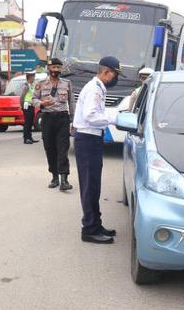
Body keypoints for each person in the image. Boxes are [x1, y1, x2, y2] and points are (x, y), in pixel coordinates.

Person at [73, 56, 122, 244]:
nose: (115, 78)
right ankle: (89, 229)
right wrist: (113, 118)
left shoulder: (98, 87)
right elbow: (91, 115)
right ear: (106, 71)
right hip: (87, 139)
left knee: (94, 186)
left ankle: (95, 224)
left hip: (92, 139)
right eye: (115, 74)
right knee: (89, 186)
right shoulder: (94, 88)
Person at [32, 58, 75, 191]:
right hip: (47, 119)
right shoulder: (40, 84)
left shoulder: (67, 83)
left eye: (58, 67)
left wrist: (73, 120)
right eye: (54, 67)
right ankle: (55, 177)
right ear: (48, 69)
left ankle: (64, 180)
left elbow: (71, 101)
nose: (56, 70)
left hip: (62, 118)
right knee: (50, 148)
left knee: (63, 149)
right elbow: (33, 98)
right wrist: (42, 104)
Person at [19, 71, 39, 144]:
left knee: (30, 122)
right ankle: (26, 138)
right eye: (33, 76)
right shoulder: (26, 86)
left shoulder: (31, 85)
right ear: (30, 77)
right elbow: (22, 97)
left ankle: (30, 137)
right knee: (27, 122)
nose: (34, 78)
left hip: (31, 105)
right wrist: (21, 106)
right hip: (26, 105)